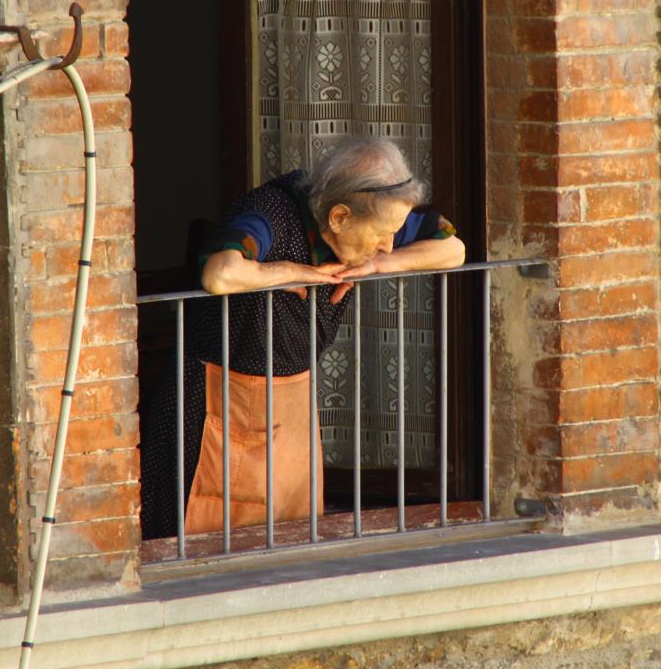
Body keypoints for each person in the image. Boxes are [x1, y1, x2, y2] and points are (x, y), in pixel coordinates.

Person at [139, 137, 465, 540]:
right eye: (381, 236)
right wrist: (288, 272)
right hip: (215, 405)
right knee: (204, 543)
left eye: (394, 234)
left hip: (291, 400)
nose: (387, 242)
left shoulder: (379, 214)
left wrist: (382, 263)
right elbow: (219, 273)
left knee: (291, 538)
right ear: (340, 216)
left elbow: (454, 249)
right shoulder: (270, 214)